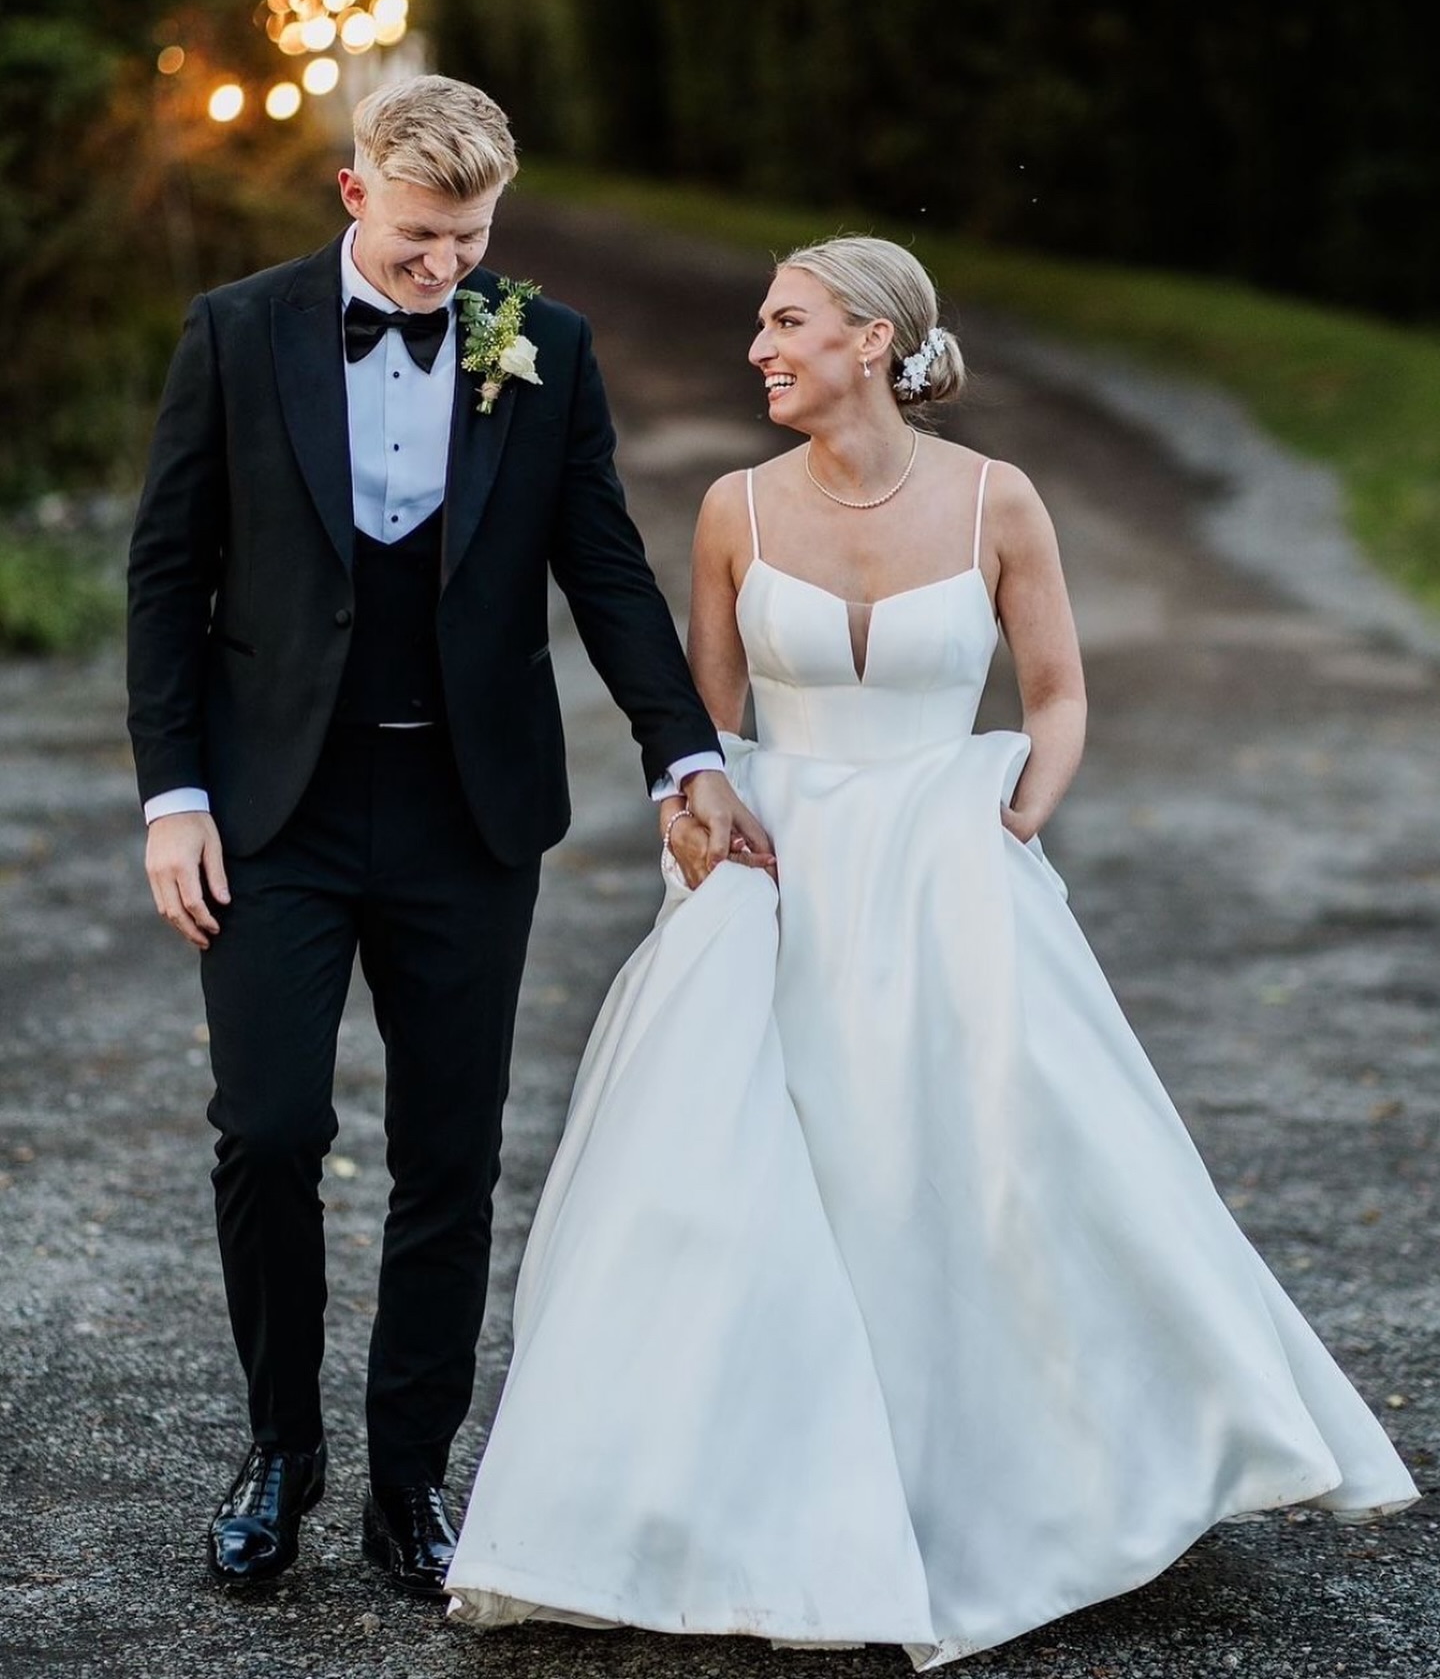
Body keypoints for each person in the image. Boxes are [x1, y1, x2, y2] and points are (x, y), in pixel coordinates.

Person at [444, 236, 1416, 1662]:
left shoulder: (994, 501)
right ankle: (738, 1510)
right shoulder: (733, 509)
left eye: (787, 322)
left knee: (1004, 1171)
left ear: (871, 340)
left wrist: (1022, 803)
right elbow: (696, 725)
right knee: (738, 1189)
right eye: (762, 324)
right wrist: (695, 820)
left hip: (949, 861)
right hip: (783, 865)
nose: (760, 347)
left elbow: (1061, 689)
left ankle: (1045, 1481)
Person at [125, 74, 770, 1596]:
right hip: (272, 811)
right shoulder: (238, 330)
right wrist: (174, 800)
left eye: (469, 239)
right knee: (270, 1130)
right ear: (355, 195)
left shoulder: (543, 346)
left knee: (451, 1158)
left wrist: (685, 754)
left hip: (466, 816)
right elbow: (167, 577)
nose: (445, 270)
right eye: (420, 237)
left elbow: (605, 566)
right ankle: (280, 1454)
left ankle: (409, 1480)